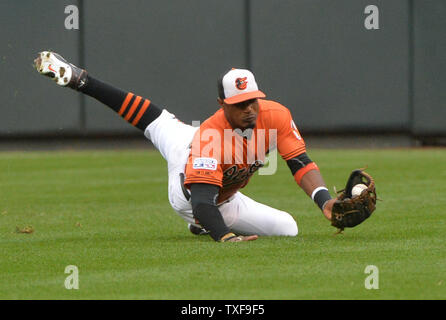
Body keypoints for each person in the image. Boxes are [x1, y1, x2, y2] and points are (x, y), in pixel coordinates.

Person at [34, 51, 335, 243]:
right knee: (206, 211)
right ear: (222, 105)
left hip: (199, 156)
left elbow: (300, 161)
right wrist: (224, 236)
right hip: (190, 195)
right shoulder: (210, 137)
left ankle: (80, 79)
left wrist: (325, 202)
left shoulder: (276, 115)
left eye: (252, 100)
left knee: (289, 229)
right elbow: (203, 201)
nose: (249, 109)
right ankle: (201, 226)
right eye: (239, 104)